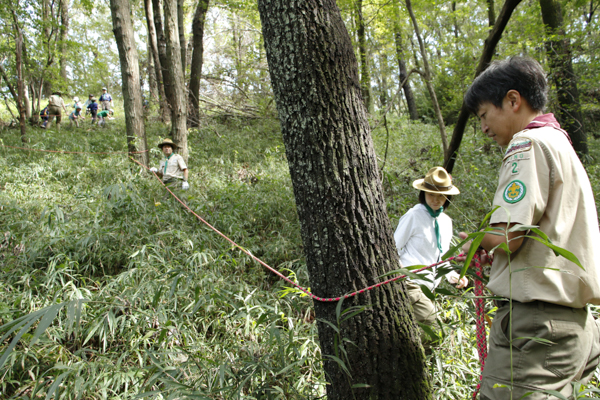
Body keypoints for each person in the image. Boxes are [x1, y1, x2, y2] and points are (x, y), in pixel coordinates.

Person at [462, 56, 600, 400]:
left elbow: (509, 237)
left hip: (537, 327)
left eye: (483, 115)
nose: (483, 127)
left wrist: (474, 243)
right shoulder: (560, 144)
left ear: (512, 100)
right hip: (572, 325)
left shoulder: (528, 145)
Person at [394, 167, 468, 329]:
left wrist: (453, 276)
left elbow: (442, 257)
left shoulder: (446, 221)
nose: (436, 200)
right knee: (433, 328)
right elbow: (393, 249)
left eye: (441, 196)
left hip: (430, 288)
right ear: (423, 194)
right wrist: (402, 277)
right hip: (410, 282)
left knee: (418, 331)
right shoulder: (413, 216)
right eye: (431, 194)